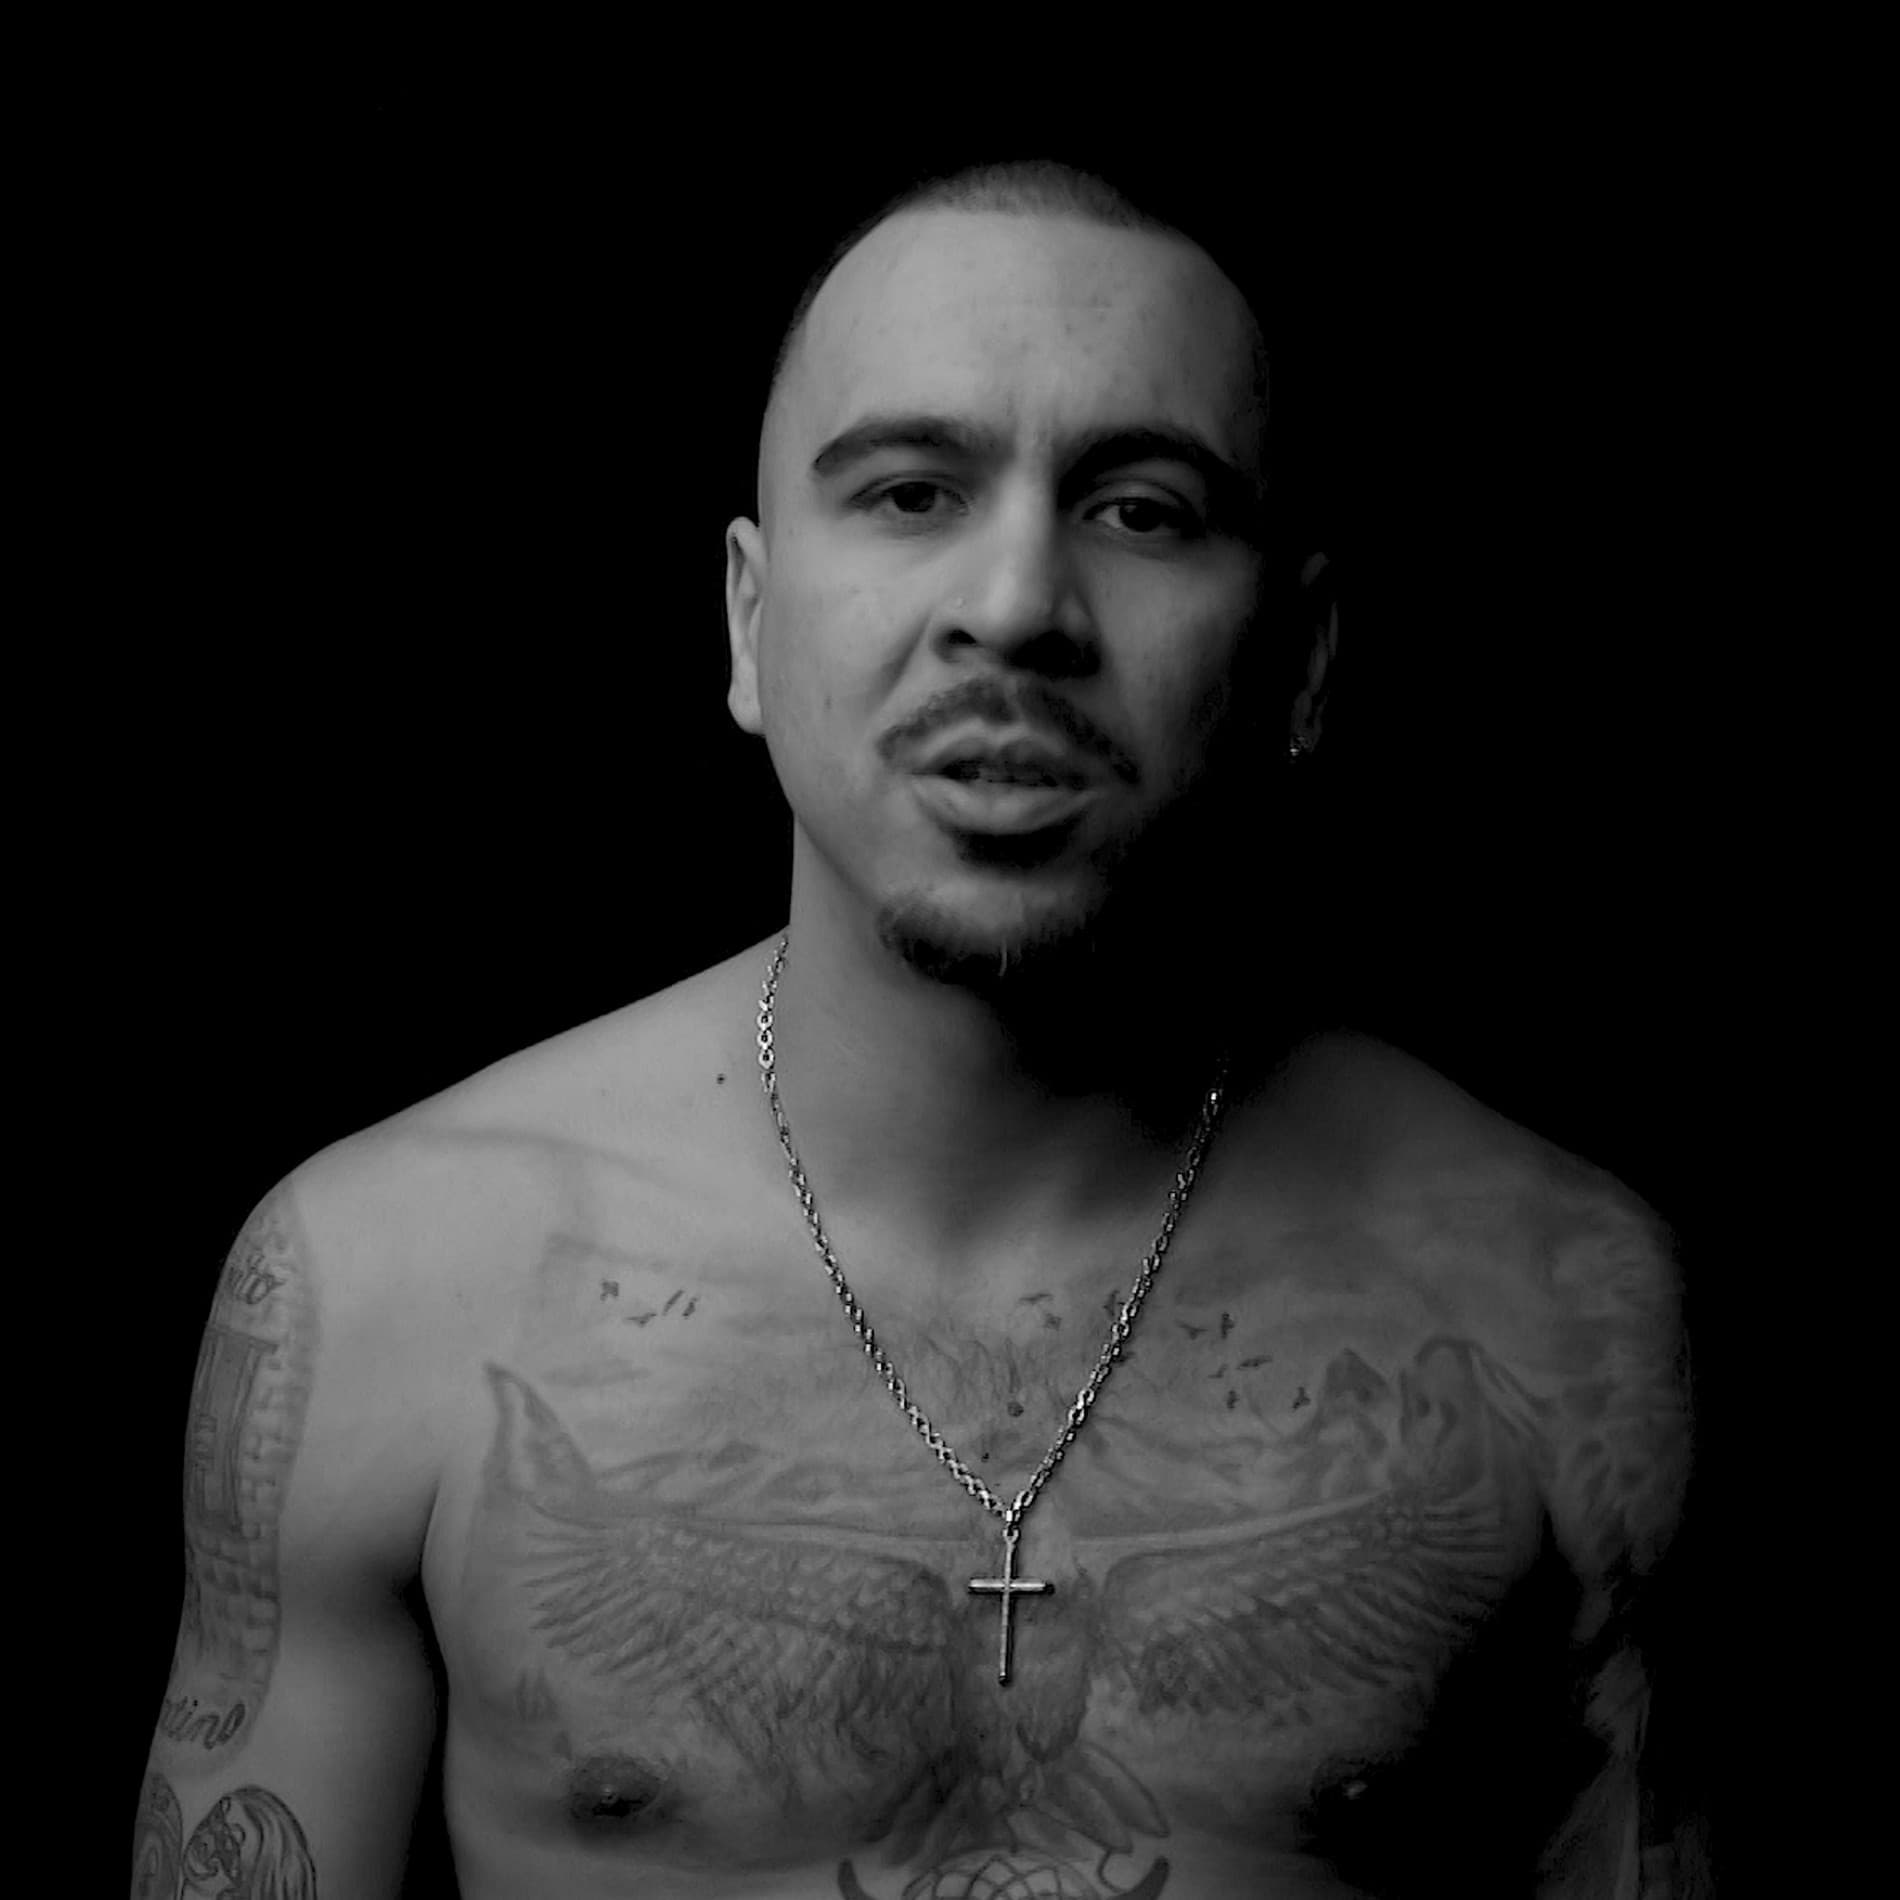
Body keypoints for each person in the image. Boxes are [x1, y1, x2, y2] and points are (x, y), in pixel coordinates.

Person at [130, 157, 1703, 1899]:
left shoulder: (1561, 1316)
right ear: (748, 622)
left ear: (1304, 660)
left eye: (1143, 510)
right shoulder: (384, 1288)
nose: (1017, 605)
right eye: (909, 492)